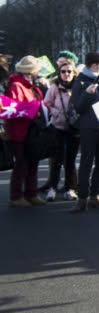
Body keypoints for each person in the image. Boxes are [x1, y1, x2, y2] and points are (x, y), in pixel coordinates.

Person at [70, 51, 99, 212]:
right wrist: (87, 94)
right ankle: (82, 197)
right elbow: (78, 107)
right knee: (86, 162)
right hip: (89, 128)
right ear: (94, 65)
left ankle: (95, 195)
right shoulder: (80, 82)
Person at [5, 56, 47, 207]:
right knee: (21, 164)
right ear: (31, 71)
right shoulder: (17, 85)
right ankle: (16, 196)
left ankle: (31, 193)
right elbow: (14, 109)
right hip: (20, 131)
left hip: (31, 130)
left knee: (33, 161)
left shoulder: (30, 86)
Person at [43, 60, 80, 201]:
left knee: (70, 160)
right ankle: (52, 188)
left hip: (74, 127)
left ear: (74, 73)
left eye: (69, 71)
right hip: (58, 127)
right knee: (56, 159)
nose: (66, 74)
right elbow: (46, 103)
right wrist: (56, 112)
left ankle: (69, 188)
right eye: (63, 72)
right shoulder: (54, 87)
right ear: (59, 73)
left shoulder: (78, 86)